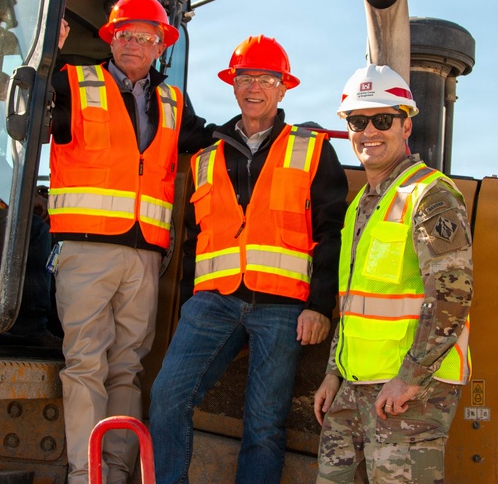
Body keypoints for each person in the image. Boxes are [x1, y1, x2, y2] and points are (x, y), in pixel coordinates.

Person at [149, 36, 348, 484]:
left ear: (283, 88)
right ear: (232, 85)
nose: (254, 87)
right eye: (245, 78)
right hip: (212, 303)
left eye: (266, 79)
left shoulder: (312, 148)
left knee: (264, 423)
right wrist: (187, 306)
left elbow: (331, 232)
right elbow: (195, 242)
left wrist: (320, 306)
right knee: (167, 397)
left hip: (282, 307)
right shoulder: (206, 157)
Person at [47, 0, 216, 484]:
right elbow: (27, 115)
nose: (133, 45)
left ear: (161, 46)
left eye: (145, 37)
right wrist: (44, 56)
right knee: (85, 363)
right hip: (87, 249)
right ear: (111, 40)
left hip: (144, 256)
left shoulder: (173, 102)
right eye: (125, 35)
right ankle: (87, 474)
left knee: (127, 368)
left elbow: (208, 141)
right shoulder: (72, 82)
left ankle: (117, 472)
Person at [313, 64, 473, 484]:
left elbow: (453, 295)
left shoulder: (430, 195)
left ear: (406, 126)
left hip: (409, 392)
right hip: (355, 386)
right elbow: (353, 304)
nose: (369, 131)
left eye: (383, 120)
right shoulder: (361, 204)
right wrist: (334, 372)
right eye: (358, 121)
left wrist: (410, 378)